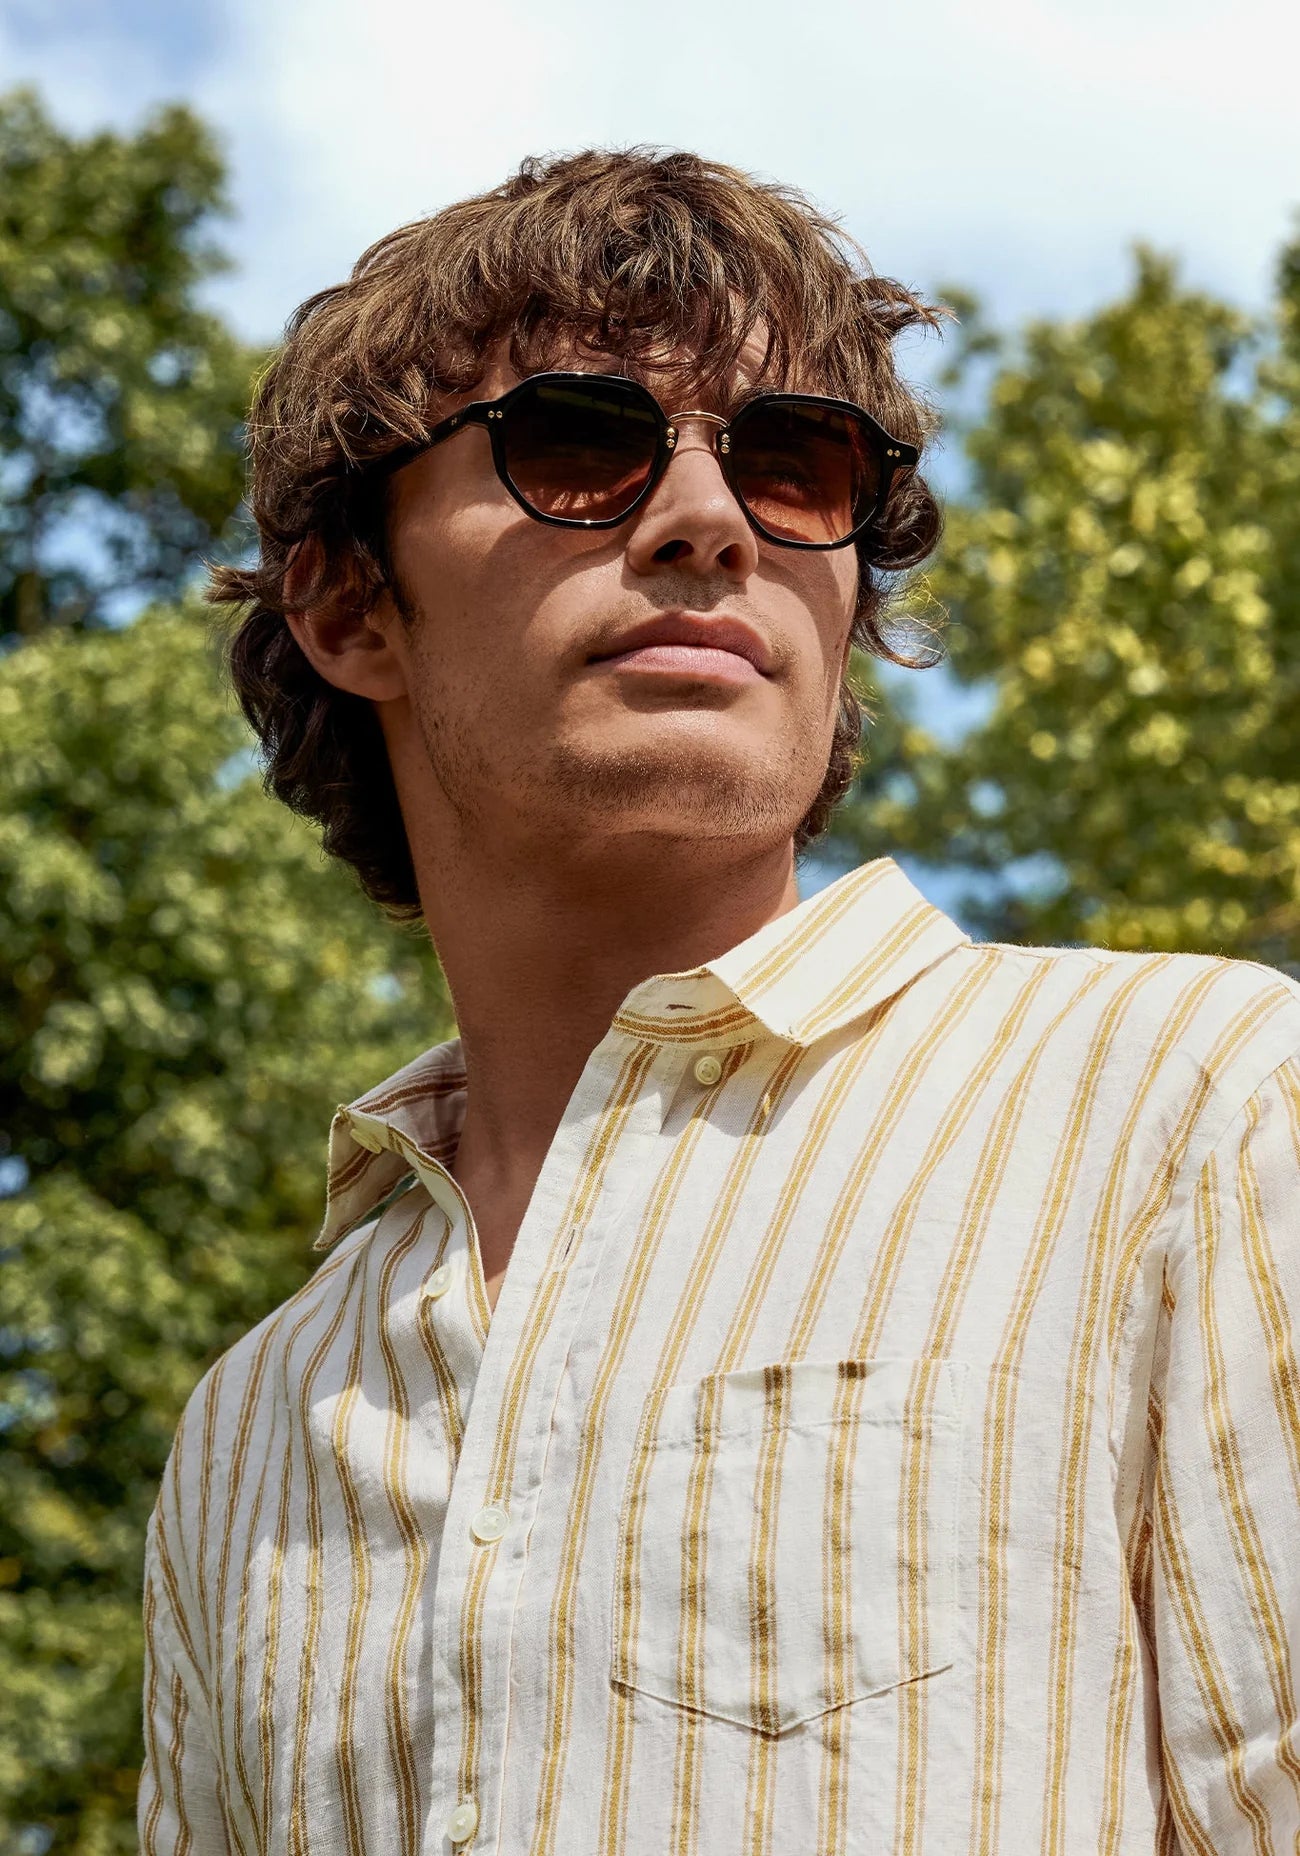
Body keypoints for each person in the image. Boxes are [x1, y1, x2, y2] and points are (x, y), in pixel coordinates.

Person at [139, 149, 1300, 1856]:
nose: (710, 516)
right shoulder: (251, 1428)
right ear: (343, 601)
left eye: (796, 461)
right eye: (580, 446)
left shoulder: (1192, 1105)